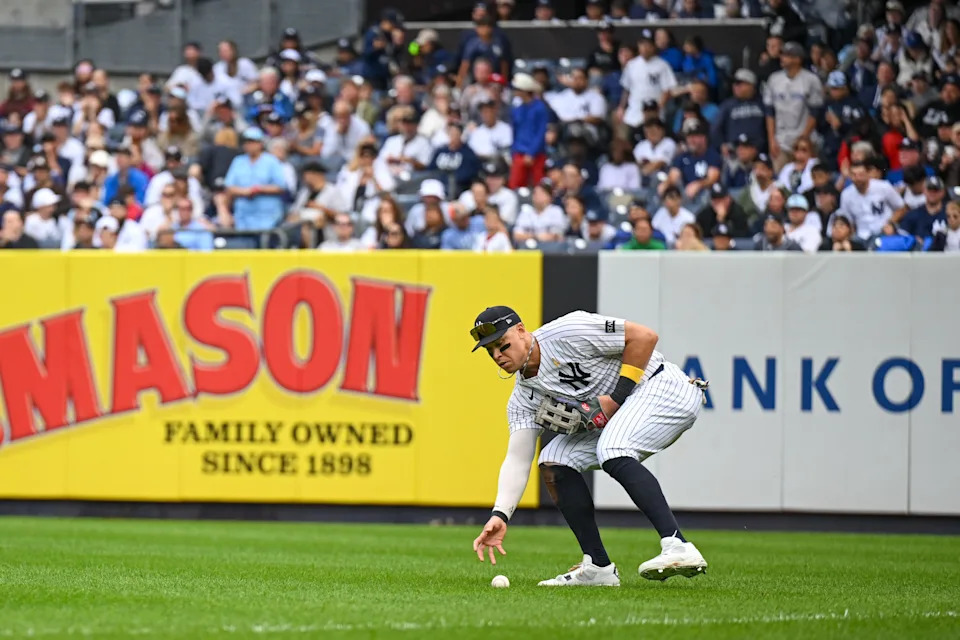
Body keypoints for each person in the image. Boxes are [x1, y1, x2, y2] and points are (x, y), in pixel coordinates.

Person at [469, 306, 708, 585]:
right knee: (554, 459)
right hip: (625, 410)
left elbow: (645, 337)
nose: (498, 355)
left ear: (521, 331)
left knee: (612, 448)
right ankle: (598, 567)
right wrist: (501, 514)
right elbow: (518, 459)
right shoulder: (523, 398)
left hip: (664, 387)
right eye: (491, 351)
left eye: (502, 344)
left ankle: (678, 545)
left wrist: (614, 399)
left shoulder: (567, 332)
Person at [764, 42, 824, 170]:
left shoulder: (811, 79)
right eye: (783, 55)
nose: (782, 58)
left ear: (798, 59)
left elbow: (815, 112)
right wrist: (771, 140)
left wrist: (803, 138)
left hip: (805, 141)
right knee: (781, 181)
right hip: (781, 141)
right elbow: (769, 112)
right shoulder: (774, 79)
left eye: (787, 56)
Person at [223, 127, 288, 231]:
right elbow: (229, 186)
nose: (249, 145)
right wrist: (245, 191)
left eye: (252, 142)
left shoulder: (271, 161)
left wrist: (259, 189)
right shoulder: (238, 161)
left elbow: (281, 186)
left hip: (267, 216)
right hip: (243, 216)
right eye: (247, 142)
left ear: (260, 143)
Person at [618, 30, 677, 136]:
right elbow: (626, 89)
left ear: (653, 46)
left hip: (654, 116)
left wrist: (657, 110)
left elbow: (667, 91)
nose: (644, 48)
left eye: (648, 44)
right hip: (633, 114)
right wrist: (621, 107)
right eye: (642, 44)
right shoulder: (631, 65)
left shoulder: (662, 65)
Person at [839, 161, 907, 240]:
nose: (858, 178)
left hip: (883, 232)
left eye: (861, 174)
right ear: (850, 176)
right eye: (854, 175)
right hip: (861, 235)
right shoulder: (846, 194)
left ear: (868, 174)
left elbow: (901, 208)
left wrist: (890, 223)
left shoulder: (884, 186)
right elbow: (847, 220)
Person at [712, 69, 766, 155]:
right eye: (735, 84)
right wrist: (721, 145)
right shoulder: (727, 105)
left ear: (752, 85)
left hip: (760, 152)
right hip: (734, 151)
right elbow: (716, 129)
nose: (736, 86)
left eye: (740, 84)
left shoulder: (763, 103)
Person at [509, 74, 549, 189]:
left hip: (536, 154)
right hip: (519, 152)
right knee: (515, 185)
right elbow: (515, 133)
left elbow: (541, 132)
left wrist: (531, 152)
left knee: (538, 185)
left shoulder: (540, 108)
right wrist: (513, 153)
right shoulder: (517, 109)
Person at [899, 176, 948, 241]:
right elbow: (902, 239)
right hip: (919, 250)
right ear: (924, 191)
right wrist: (914, 241)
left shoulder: (950, 214)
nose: (932, 193)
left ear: (943, 192)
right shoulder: (913, 214)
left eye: (936, 190)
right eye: (929, 190)